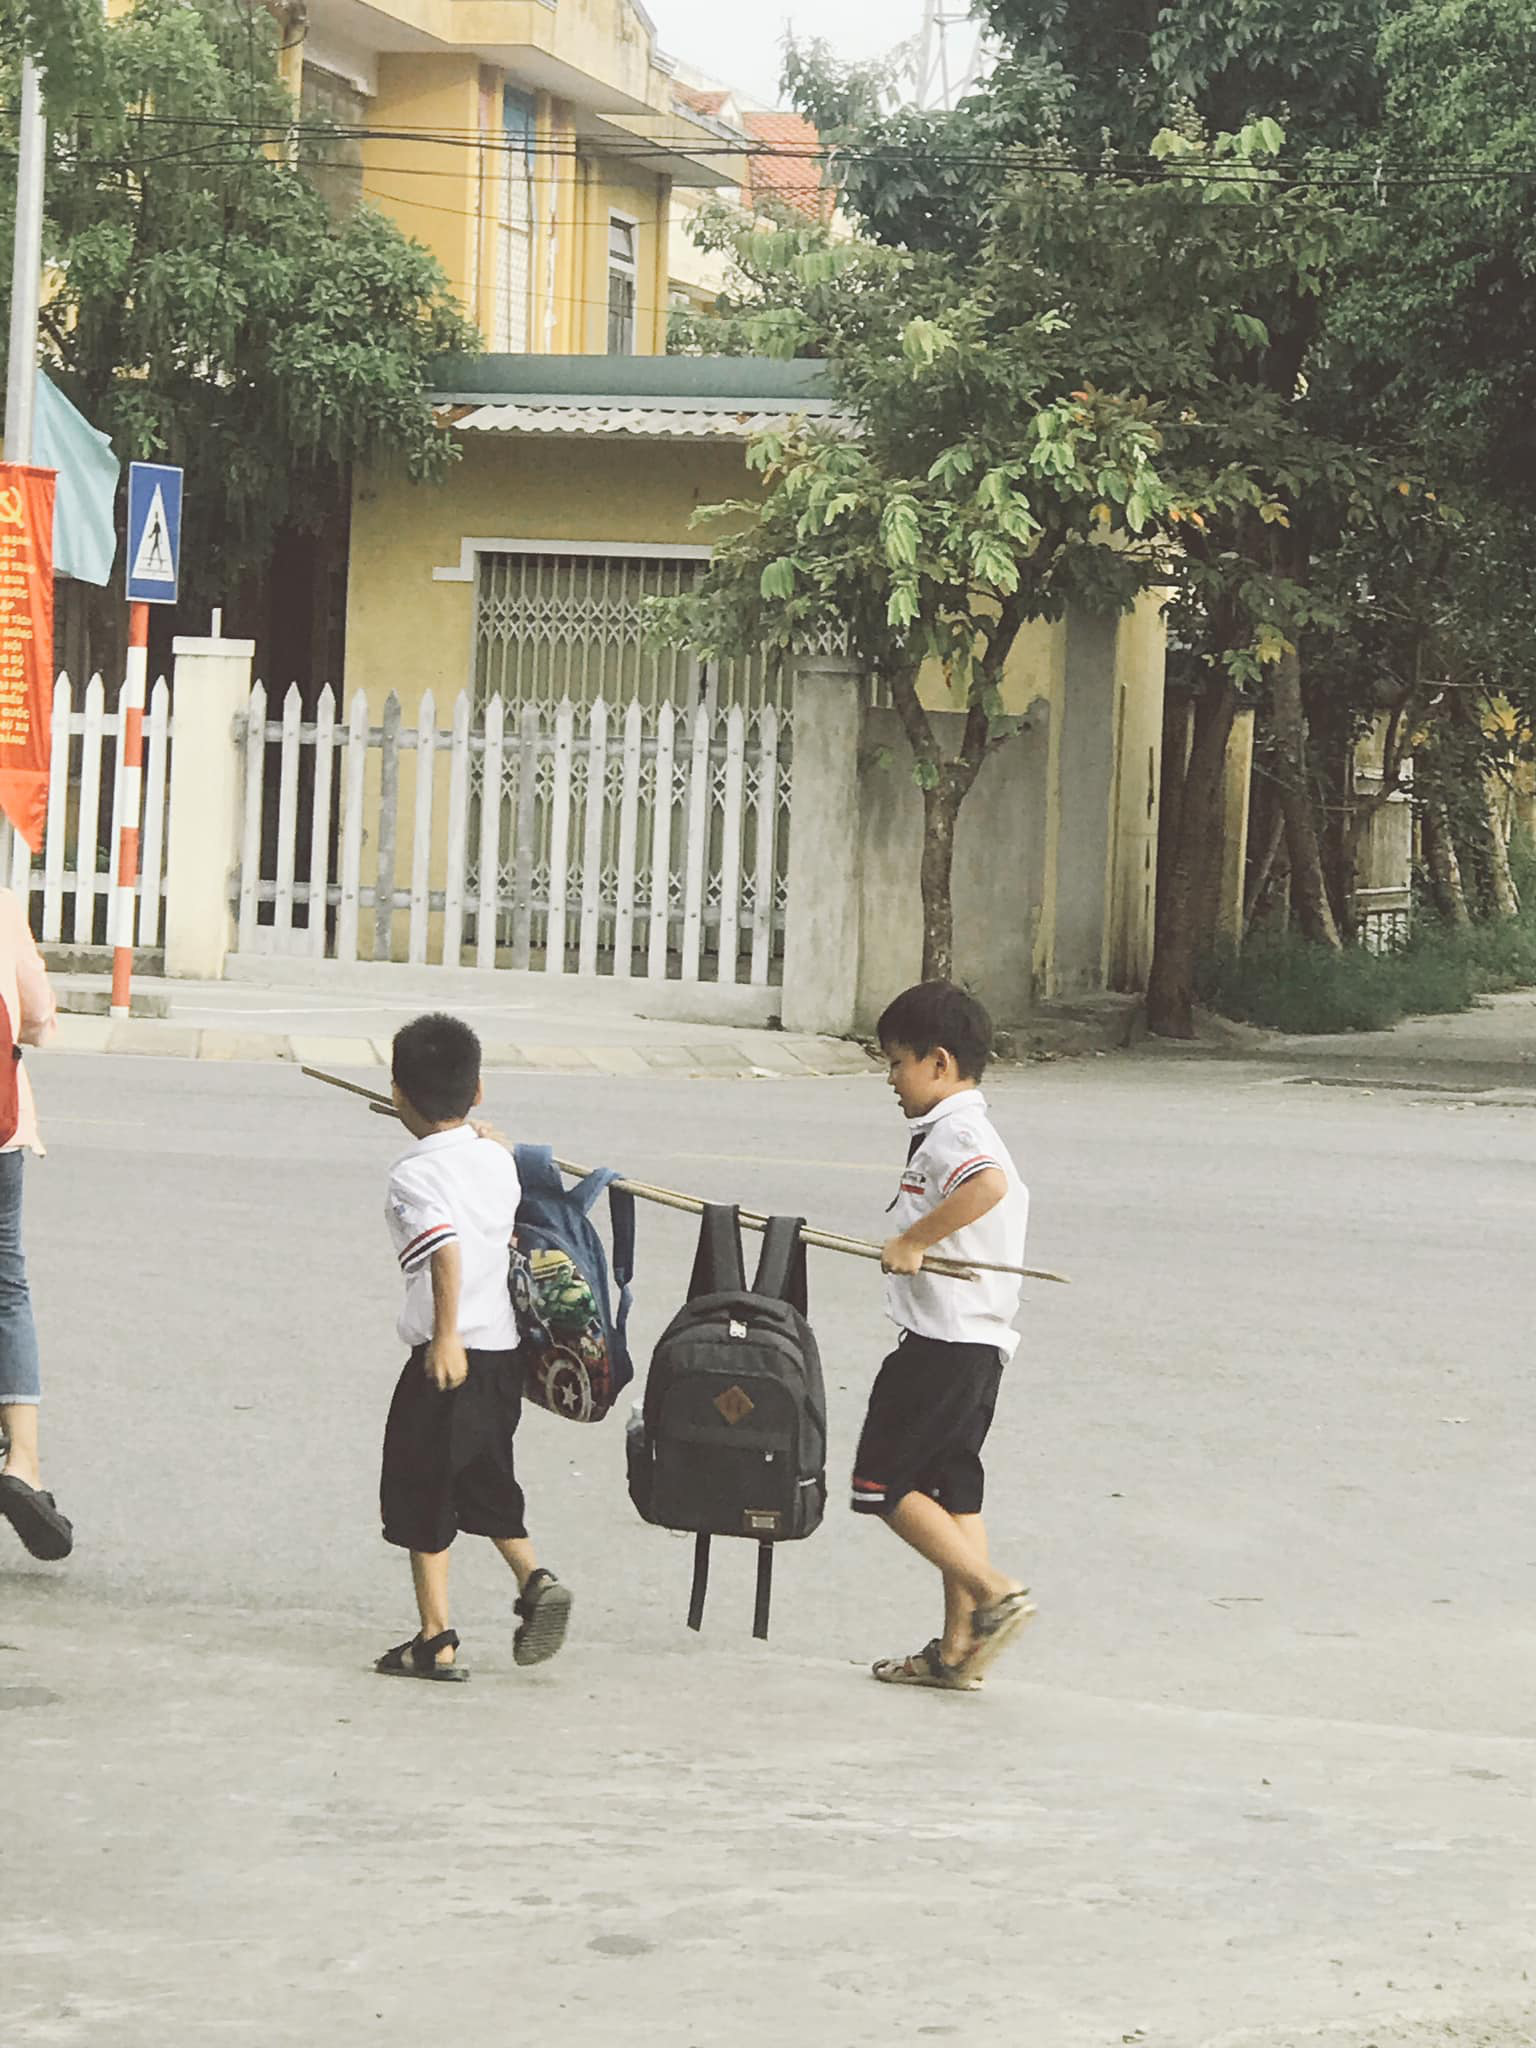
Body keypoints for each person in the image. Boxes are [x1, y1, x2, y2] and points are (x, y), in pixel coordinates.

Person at [374, 1012, 571, 1682]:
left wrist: (446, 1336)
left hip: (448, 1356)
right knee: (483, 1475)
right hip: (501, 1356)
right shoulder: (496, 1158)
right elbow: (492, 1176)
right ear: (477, 1090)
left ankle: (436, 1637)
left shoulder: (411, 1175)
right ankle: (534, 1577)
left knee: (422, 1488)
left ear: (398, 1094)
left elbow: (443, 1251)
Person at [854, 980, 1033, 1690]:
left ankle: (994, 1592)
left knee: (882, 1483)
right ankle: (958, 1650)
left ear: (938, 1062)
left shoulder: (959, 1133)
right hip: (979, 1342)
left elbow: (985, 1187)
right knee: (953, 1490)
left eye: (896, 1063)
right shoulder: (954, 1126)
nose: (890, 1079)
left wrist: (914, 1241)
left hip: (943, 1342)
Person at [0, 886, 69, 1563]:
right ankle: (23, 1460)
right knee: (6, 1286)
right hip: (0, 1132)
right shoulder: (1, 905)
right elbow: (38, 1017)